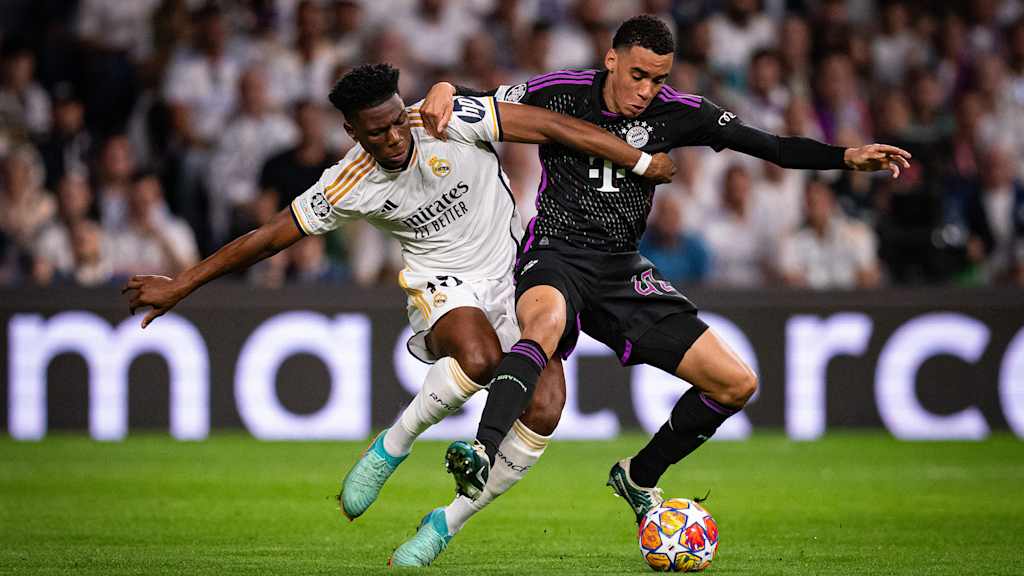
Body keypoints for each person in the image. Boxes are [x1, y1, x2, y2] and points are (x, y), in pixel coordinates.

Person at [122, 63, 674, 566]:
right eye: (376, 132)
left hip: (515, 274)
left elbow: (551, 125)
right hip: (442, 283)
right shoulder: (351, 180)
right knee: (479, 357)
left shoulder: (451, 118)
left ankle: (445, 524)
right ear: (352, 133)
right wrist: (183, 283)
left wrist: (640, 160)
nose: (393, 138)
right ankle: (393, 446)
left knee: (547, 406)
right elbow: (270, 236)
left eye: (395, 122)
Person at [420, 14, 910, 524]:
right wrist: (444, 86)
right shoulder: (561, 91)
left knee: (735, 384)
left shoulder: (680, 112)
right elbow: (482, 103)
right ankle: (482, 448)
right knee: (544, 324)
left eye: (658, 79)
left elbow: (774, 147)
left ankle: (639, 475)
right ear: (612, 59)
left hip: (621, 270)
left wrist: (846, 157)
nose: (646, 91)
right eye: (638, 75)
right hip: (556, 253)